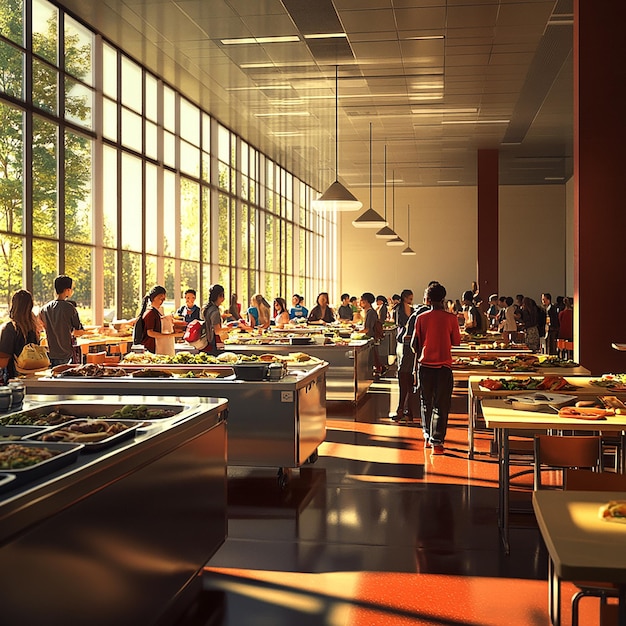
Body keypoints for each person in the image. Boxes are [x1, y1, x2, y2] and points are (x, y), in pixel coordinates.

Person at [411, 282, 461, 454]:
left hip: (425, 366)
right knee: (442, 404)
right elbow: (456, 341)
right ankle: (437, 442)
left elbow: (415, 343)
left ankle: (426, 434)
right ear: (443, 298)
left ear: (428, 299)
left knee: (426, 402)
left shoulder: (421, 318)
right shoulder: (451, 318)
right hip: (444, 366)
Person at [39, 274, 85, 366]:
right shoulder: (69, 308)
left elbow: (41, 326)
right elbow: (78, 331)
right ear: (67, 290)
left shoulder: (44, 309)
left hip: (50, 353)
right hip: (66, 353)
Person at [0, 290, 41, 382]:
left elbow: (3, 362)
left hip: (13, 379)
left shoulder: (10, 328)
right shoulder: (34, 329)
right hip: (31, 377)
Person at [392, 289, 416, 421]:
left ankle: (404, 408)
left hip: (405, 344)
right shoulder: (407, 311)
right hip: (406, 344)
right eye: (410, 298)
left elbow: (399, 325)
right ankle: (406, 409)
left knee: (405, 376)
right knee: (406, 377)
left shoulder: (408, 311)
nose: (411, 301)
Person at [136, 285, 171, 353]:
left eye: (163, 299)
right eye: (160, 298)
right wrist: (170, 335)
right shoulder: (150, 313)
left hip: (156, 346)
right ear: (154, 298)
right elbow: (150, 333)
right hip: (151, 348)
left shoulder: (156, 312)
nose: (162, 301)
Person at [360, 292, 383, 375]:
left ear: (366, 301)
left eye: (361, 301)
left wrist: (356, 332)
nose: (360, 303)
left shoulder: (370, 313)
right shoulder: (370, 312)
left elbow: (367, 329)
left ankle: (378, 368)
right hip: (372, 337)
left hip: (371, 337)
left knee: (374, 355)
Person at [202, 284, 229, 354]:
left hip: (204, 342)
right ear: (220, 296)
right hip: (213, 343)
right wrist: (230, 328)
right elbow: (217, 331)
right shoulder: (215, 311)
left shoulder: (206, 308)